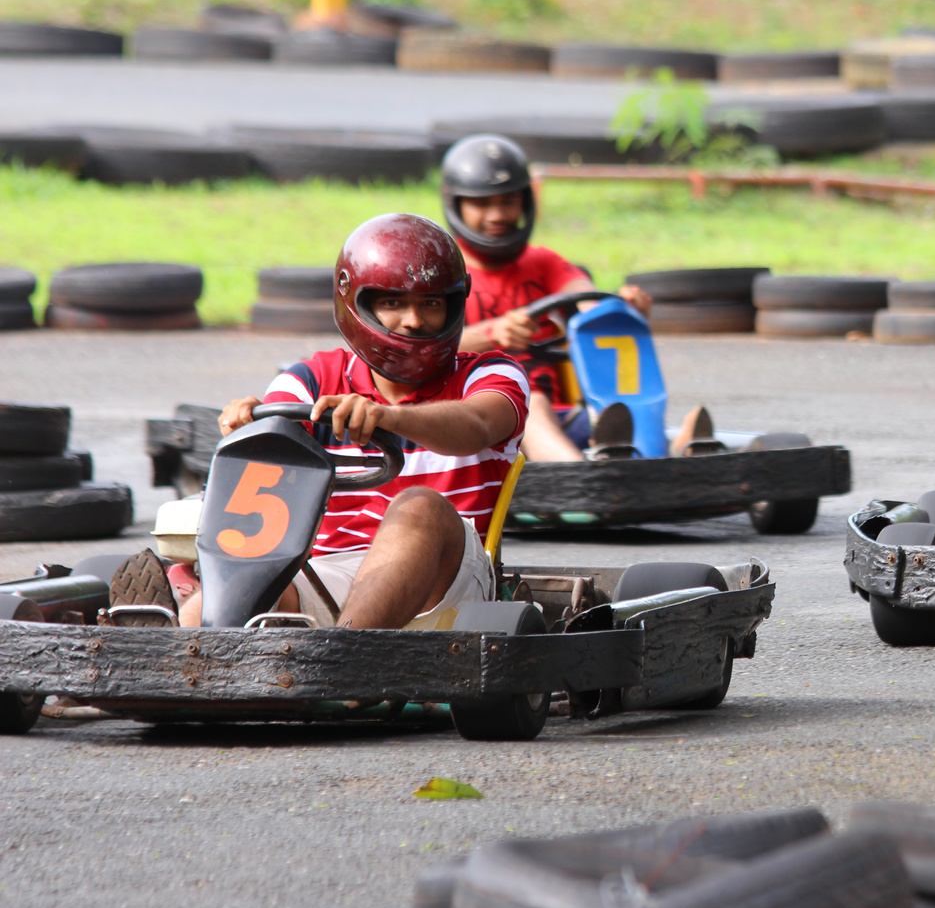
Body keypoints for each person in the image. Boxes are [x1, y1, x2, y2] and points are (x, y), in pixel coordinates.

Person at [128, 213, 531, 630]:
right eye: (393, 303)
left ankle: (343, 665)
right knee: (230, 597)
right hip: (330, 576)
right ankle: (177, 673)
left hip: (449, 584)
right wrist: (248, 432)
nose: (413, 321)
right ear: (356, 304)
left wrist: (387, 417)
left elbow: (479, 423)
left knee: (417, 506)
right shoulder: (311, 380)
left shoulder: (489, 374)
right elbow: (267, 467)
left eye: (430, 304)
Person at [441, 133, 661, 461]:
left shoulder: (542, 263)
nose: (498, 215)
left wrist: (619, 308)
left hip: (560, 418)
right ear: (456, 204)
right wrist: (492, 334)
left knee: (620, 411)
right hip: (476, 424)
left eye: (507, 201)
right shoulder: (442, 269)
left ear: (524, 202)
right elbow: (416, 350)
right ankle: (582, 485)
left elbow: (582, 294)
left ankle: (676, 453)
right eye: (482, 203)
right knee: (530, 401)